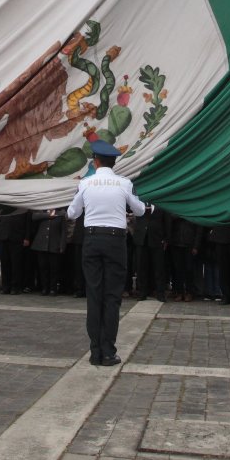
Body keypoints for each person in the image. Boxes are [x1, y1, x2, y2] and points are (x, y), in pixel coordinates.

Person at [66, 141, 146, 366]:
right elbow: (138, 209)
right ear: (114, 162)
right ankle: (109, 351)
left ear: (95, 161)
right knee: (112, 296)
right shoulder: (124, 183)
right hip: (115, 241)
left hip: (91, 239)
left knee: (94, 295)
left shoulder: (86, 183)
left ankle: (94, 351)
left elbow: (73, 213)